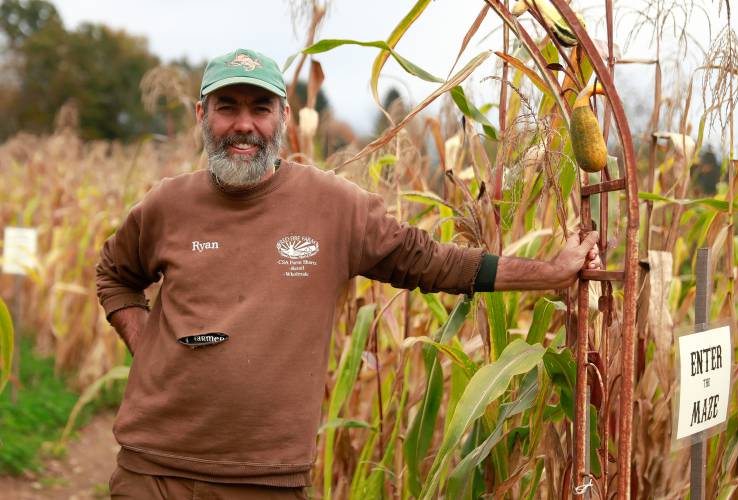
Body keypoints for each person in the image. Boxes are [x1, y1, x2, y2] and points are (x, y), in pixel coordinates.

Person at [96, 48, 601, 499]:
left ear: (284, 117)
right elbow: (114, 276)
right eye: (228, 107)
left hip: (266, 478)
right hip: (152, 471)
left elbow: (430, 261)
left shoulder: (333, 206)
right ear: (202, 114)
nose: (244, 125)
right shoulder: (166, 204)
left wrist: (552, 273)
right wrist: (149, 348)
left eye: (260, 109)